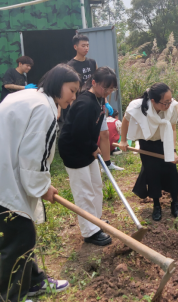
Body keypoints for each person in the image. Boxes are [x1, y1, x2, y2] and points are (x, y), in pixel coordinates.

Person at [0, 63, 79, 302]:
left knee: (23, 231)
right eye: (72, 90)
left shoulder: (31, 96)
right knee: (18, 236)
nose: (73, 97)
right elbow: (33, 155)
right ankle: (9, 297)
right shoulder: (44, 109)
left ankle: (33, 281)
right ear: (57, 84)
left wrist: (40, 186)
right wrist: (42, 187)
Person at [58, 67, 120, 246]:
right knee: (84, 190)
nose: (108, 92)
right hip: (74, 150)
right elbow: (78, 133)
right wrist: (93, 147)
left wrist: (93, 147)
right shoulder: (85, 103)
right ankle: (90, 231)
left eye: (111, 89)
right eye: (105, 88)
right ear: (94, 83)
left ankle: (95, 220)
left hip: (86, 147)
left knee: (95, 184)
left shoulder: (98, 99)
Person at [119, 83, 178, 221]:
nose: (168, 105)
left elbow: (173, 129)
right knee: (152, 172)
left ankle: (175, 203)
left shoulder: (171, 107)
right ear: (153, 101)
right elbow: (125, 120)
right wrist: (123, 140)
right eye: (165, 102)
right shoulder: (138, 107)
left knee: (171, 170)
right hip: (146, 143)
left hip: (164, 141)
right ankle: (156, 205)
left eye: (170, 101)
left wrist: (172, 150)